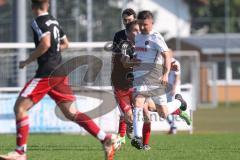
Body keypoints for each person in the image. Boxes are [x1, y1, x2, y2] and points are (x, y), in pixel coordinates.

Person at [0, 1, 120, 160]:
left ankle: (20, 152)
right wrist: (54, 51)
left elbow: (46, 43)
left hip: (47, 73)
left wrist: (28, 60)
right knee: (72, 113)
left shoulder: (38, 22)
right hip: (59, 73)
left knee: (20, 108)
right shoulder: (54, 21)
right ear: (48, 5)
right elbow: (65, 43)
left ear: (32, 7)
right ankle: (106, 138)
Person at [129, 10, 191, 150]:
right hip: (140, 78)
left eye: (145, 24)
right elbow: (139, 55)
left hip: (154, 78)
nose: (142, 27)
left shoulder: (156, 37)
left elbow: (167, 56)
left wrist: (165, 74)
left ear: (152, 23)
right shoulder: (138, 37)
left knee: (162, 113)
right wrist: (133, 60)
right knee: (138, 103)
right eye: (140, 24)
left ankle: (178, 102)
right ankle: (137, 137)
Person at [111, 8, 137, 143]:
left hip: (137, 79)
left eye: (129, 20)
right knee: (126, 112)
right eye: (125, 20)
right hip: (121, 79)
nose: (127, 22)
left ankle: (177, 108)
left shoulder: (141, 36)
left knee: (149, 108)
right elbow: (116, 57)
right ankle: (122, 137)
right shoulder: (119, 36)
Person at [166, 57, 181, 134]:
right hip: (166, 89)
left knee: (170, 108)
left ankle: (173, 126)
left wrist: (174, 88)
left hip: (172, 89)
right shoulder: (164, 61)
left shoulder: (176, 62)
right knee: (164, 108)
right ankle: (173, 126)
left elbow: (177, 77)